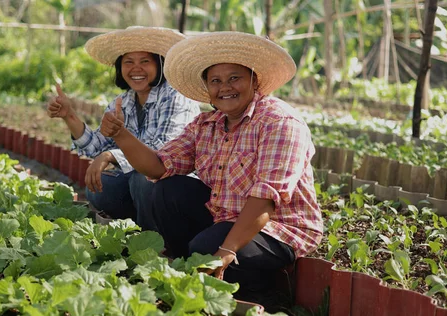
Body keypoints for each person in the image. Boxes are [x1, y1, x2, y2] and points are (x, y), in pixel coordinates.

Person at [99, 32, 323, 311]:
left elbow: (266, 198)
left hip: (277, 228)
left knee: (207, 248)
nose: (225, 87)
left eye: (234, 78)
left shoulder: (279, 122)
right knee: (167, 190)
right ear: (207, 87)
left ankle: (261, 294)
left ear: (255, 80)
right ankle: (191, 273)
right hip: (225, 217)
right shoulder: (207, 124)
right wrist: (121, 135)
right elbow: (158, 166)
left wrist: (226, 250)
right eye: (215, 81)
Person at [47, 27, 200, 231]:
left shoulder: (175, 97)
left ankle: (157, 237)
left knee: (142, 179)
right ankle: (141, 221)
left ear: (160, 64)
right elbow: (95, 147)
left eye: (145, 61)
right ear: (120, 68)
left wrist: (111, 155)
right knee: (100, 187)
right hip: (143, 181)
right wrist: (69, 115)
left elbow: (161, 154)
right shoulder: (124, 102)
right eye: (129, 62)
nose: (136, 69)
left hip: (178, 184)